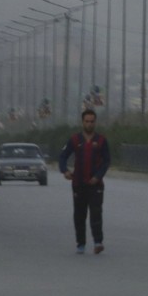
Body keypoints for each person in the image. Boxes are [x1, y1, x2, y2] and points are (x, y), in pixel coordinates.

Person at [59, 108, 111, 255]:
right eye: (87, 121)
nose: (89, 124)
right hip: (78, 184)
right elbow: (63, 156)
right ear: (82, 122)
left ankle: (98, 242)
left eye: (92, 122)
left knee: (96, 213)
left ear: (95, 123)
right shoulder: (75, 140)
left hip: (95, 185)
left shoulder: (101, 141)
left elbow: (107, 161)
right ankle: (80, 243)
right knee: (79, 215)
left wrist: (98, 176)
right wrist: (65, 171)